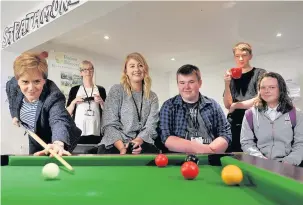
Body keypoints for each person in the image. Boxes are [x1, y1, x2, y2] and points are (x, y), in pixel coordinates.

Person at [6, 52, 82, 156]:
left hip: (58, 139)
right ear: (17, 81)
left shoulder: (53, 95)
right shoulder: (12, 85)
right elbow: (12, 100)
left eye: (37, 81)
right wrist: (14, 115)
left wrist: (58, 143)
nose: (31, 88)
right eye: (25, 82)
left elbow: (58, 120)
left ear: (44, 80)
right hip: (34, 135)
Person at [159, 64, 232, 154]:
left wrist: (211, 150)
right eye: (182, 83)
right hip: (180, 160)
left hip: (210, 158)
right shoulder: (169, 106)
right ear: (177, 84)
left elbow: (225, 133)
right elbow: (166, 137)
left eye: (191, 82)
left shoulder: (213, 105)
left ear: (200, 83)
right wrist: (203, 149)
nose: (186, 87)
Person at [97, 52, 159, 154]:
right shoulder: (117, 90)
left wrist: (137, 142)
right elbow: (109, 124)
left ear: (145, 69)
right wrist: (122, 148)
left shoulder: (152, 97)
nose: (136, 69)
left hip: (141, 143)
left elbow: (151, 127)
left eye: (140, 65)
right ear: (126, 71)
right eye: (132, 66)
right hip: (115, 143)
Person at [240, 72, 303, 166]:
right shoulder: (250, 114)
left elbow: (300, 143)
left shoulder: (296, 114)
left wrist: (289, 162)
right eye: (263, 87)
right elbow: (246, 143)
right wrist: (260, 159)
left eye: (272, 87)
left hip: (288, 166)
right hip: (260, 165)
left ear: (281, 89)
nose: (267, 91)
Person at [223, 42, 266, 152]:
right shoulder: (232, 76)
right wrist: (227, 83)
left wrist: (236, 105)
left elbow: (262, 97)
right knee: (234, 153)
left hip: (254, 119)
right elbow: (228, 105)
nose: (241, 59)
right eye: (237, 56)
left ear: (250, 56)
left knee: (255, 154)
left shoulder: (260, 73)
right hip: (234, 121)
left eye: (244, 55)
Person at [66, 60, 106, 147]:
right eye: (85, 70)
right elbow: (67, 113)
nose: (88, 72)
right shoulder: (74, 90)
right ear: (81, 73)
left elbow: (108, 113)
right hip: (79, 132)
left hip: (96, 132)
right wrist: (73, 102)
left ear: (93, 71)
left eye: (91, 69)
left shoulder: (101, 89)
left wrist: (101, 102)